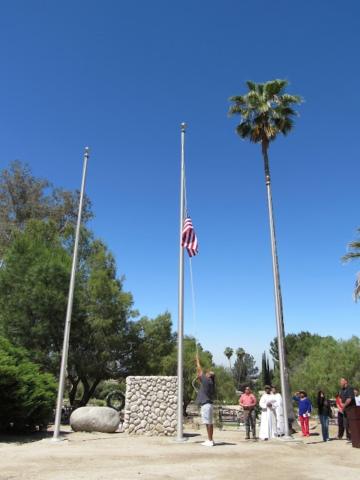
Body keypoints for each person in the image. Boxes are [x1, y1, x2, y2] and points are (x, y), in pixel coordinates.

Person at [195, 353, 216, 447]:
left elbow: (199, 370)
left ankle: (210, 440)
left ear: (209, 376)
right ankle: (211, 439)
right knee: (210, 423)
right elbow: (199, 377)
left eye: (208, 373)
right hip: (210, 404)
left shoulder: (207, 380)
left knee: (208, 423)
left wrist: (197, 360)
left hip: (206, 405)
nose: (206, 373)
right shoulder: (211, 382)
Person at [339, 377, 355, 441]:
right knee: (346, 424)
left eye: (341, 381)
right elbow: (340, 398)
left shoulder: (350, 389)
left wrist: (343, 405)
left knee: (351, 424)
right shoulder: (342, 390)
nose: (340, 382)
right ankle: (349, 437)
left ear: (346, 382)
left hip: (351, 410)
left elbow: (349, 399)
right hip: (345, 410)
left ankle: (353, 437)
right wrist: (341, 405)